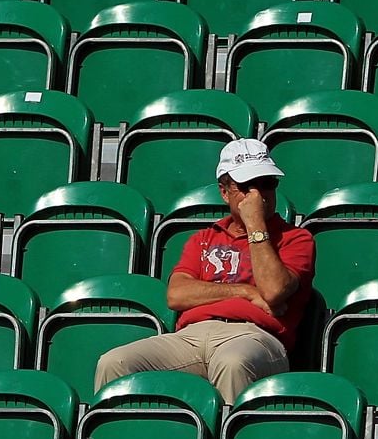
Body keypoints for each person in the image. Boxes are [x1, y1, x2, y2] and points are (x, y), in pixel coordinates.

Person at [94, 138, 316, 403]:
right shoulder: (203, 238)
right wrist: (245, 292)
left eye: (267, 183)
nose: (258, 195)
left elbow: (274, 291)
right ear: (225, 192)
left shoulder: (296, 238)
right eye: (247, 186)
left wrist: (255, 224)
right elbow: (177, 295)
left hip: (255, 336)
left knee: (232, 362)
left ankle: (231, 431)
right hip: (191, 335)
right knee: (114, 362)